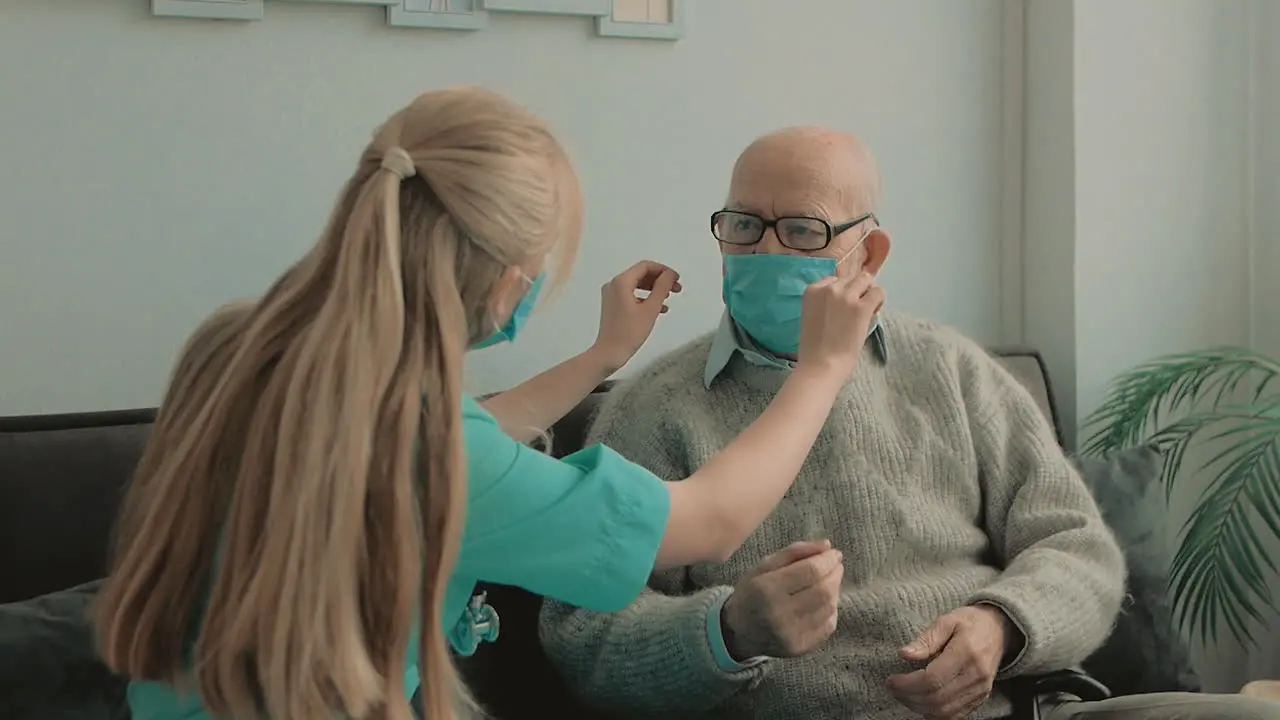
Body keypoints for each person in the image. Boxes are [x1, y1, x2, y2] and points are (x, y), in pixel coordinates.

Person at [91, 90, 884, 720]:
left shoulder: (242, 346)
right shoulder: (441, 460)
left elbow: (442, 445)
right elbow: (707, 520)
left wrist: (599, 358)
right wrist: (822, 368)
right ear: (510, 276)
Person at [537, 126, 1280, 720]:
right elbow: (583, 636)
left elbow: (1079, 547)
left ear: (871, 251)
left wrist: (1003, 625)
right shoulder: (652, 407)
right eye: (742, 225)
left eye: (801, 230)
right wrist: (726, 632)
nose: (763, 251)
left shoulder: (954, 372)